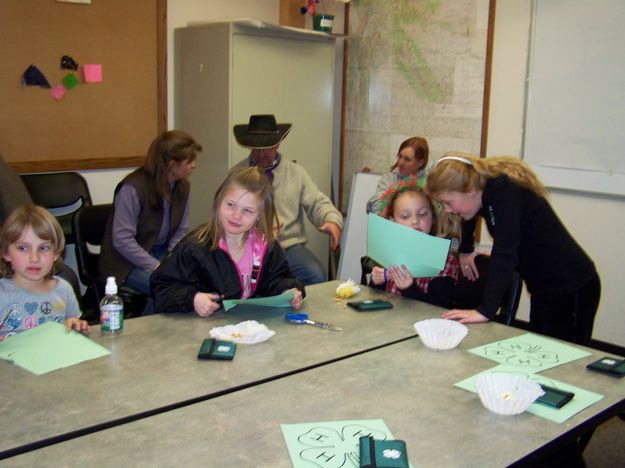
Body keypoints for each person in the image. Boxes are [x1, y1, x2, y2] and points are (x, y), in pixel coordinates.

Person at [426, 153, 601, 345]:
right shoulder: (482, 192)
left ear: (470, 190)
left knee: (566, 361)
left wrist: (485, 310)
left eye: (447, 202)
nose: (448, 210)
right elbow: (468, 216)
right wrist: (466, 248)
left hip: (572, 287)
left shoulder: (503, 192)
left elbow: (504, 254)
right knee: (543, 350)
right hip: (544, 290)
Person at [151, 167, 305, 316]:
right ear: (219, 202)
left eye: (247, 210)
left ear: (259, 216)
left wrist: (288, 292)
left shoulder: (265, 245)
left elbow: (277, 279)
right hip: (200, 328)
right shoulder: (194, 246)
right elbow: (161, 287)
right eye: (230, 205)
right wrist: (193, 299)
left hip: (245, 327)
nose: (236, 216)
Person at [231, 114, 343, 285]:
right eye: (256, 148)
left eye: (267, 148)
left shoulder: (295, 172)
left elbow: (317, 202)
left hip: (288, 246)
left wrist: (331, 220)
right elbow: (226, 213)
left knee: (315, 275)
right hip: (246, 245)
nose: (261, 154)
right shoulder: (237, 174)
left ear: (278, 143)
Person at [99, 130, 202, 311]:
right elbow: (122, 240)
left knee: (195, 280)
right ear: (171, 164)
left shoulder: (183, 187)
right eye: (189, 161)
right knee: (165, 286)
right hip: (125, 262)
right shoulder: (132, 189)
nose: (194, 165)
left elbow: (181, 230)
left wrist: (172, 259)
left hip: (161, 253)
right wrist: (158, 266)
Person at [367, 181, 483, 308]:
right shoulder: (391, 252)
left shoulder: (442, 258)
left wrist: (409, 288)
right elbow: (376, 297)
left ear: (433, 217)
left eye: (422, 214)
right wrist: (376, 281)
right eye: (405, 216)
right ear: (392, 220)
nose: (415, 221)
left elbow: (437, 306)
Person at [0, 206, 89, 340]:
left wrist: (75, 325)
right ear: (6, 253)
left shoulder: (64, 290)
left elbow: (74, 323)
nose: (34, 258)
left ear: (56, 254)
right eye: (23, 248)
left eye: (43, 248)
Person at [366, 136, 432, 214]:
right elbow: (375, 205)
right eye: (399, 156)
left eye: (407, 159)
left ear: (420, 163)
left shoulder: (429, 182)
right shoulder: (389, 178)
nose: (400, 163)